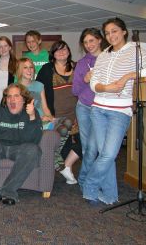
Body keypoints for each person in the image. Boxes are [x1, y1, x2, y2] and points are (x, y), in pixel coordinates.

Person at [83, 18, 144, 206]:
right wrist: (107, 88)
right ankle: (110, 195)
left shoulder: (138, 49)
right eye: (108, 33)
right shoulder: (104, 55)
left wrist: (128, 76)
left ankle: (89, 185)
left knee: (109, 154)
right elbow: (94, 83)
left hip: (120, 111)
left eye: (114, 31)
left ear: (124, 31)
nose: (111, 36)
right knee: (104, 154)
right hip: (98, 109)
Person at [0, 83, 42, 205]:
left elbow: (34, 140)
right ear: (5, 99)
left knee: (33, 150)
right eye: (9, 96)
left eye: (16, 96)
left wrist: (32, 117)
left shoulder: (31, 112)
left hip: (18, 148)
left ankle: (8, 191)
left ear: (24, 99)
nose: (12, 99)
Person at [36, 41, 81, 184]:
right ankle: (64, 168)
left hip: (78, 114)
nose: (61, 52)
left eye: (64, 49)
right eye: (57, 50)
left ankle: (66, 166)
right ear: (53, 54)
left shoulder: (77, 67)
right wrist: (45, 113)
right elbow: (38, 92)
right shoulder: (46, 69)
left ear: (69, 51)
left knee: (85, 143)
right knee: (62, 147)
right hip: (57, 116)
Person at [73, 28, 107, 188]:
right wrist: (85, 79)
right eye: (85, 42)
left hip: (104, 108)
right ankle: (86, 181)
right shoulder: (81, 64)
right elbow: (75, 91)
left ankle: (88, 178)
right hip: (85, 108)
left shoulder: (109, 59)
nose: (89, 45)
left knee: (99, 148)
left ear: (100, 40)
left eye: (91, 40)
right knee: (88, 148)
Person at [16, 57, 53, 122]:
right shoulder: (14, 88)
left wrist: (50, 118)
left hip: (43, 119)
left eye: (31, 67)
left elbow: (45, 107)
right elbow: (16, 112)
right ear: (19, 70)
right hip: (27, 123)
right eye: (25, 67)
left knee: (66, 124)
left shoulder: (39, 85)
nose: (29, 70)